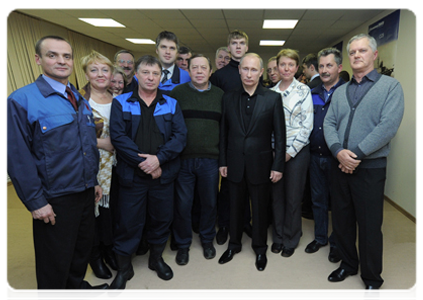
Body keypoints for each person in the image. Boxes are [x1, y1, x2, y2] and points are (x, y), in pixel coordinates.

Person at [5, 35, 108, 300]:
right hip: (54, 197)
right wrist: (36, 202)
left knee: (79, 251)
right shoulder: (22, 100)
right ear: (38, 60)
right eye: (53, 55)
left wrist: (94, 180)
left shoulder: (76, 96)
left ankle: (76, 291)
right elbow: (17, 157)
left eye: (67, 56)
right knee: (54, 259)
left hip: (85, 190)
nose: (61, 61)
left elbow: (85, 144)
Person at [324, 33, 404, 300]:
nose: (357, 56)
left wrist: (354, 155)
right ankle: (348, 264)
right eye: (353, 52)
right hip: (339, 166)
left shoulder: (390, 87)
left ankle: (372, 278)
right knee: (343, 220)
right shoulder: (341, 91)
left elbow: (387, 127)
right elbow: (329, 124)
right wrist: (338, 152)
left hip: (370, 168)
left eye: (362, 51)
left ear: (374, 54)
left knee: (370, 225)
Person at [108, 55, 187, 297]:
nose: (151, 77)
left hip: (161, 175)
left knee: (161, 220)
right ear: (137, 76)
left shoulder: (171, 103)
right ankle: (124, 269)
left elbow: (180, 137)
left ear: (160, 77)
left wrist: (158, 160)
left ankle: (156, 260)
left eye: (155, 74)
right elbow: (118, 138)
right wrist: (145, 162)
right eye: (146, 73)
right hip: (133, 176)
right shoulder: (121, 103)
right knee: (128, 222)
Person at [218, 53, 285, 271]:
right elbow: (223, 133)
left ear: (261, 72)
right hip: (235, 163)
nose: (249, 73)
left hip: (261, 164)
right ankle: (234, 245)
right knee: (235, 208)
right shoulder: (228, 97)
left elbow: (280, 135)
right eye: (245, 69)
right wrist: (223, 161)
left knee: (259, 209)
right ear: (239, 70)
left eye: (253, 69)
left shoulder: (272, 98)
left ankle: (259, 248)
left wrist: (277, 166)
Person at [169, 54, 224, 265]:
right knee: (183, 205)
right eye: (195, 68)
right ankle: (183, 245)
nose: (199, 71)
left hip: (210, 160)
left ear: (210, 71)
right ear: (188, 71)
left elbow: (225, 129)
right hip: (183, 160)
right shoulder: (177, 94)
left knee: (209, 203)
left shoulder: (220, 95)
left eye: (203, 67)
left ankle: (207, 239)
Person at [210, 29, 252, 245]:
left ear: (246, 47)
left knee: (246, 182)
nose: (237, 46)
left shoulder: (251, 72)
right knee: (226, 186)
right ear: (229, 48)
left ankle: (245, 221)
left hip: (250, 139)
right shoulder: (219, 76)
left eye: (241, 43)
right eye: (234, 43)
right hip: (227, 138)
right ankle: (224, 223)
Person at [79, 50, 118, 279]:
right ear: (86, 73)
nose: (100, 74)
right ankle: (95, 257)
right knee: (93, 214)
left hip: (116, 167)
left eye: (105, 70)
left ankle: (108, 249)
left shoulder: (118, 99)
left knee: (110, 213)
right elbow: (69, 136)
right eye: (94, 70)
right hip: (91, 167)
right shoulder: (78, 100)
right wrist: (101, 142)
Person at [270, 49, 313, 257]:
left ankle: (290, 238)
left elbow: (307, 127)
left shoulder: (304, 91)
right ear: (277, 67)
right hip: (275, 151)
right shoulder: (271, 92)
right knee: (276, 197)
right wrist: (276, 153)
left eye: (291, 65)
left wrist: (288, 153)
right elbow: (267, 126)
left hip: (297, 152)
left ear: (297, 68)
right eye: (282, 64)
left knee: (293, 198)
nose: (286, 68)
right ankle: (277, 236)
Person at [304, 48, 345, 263]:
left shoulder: (346, 93)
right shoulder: (312, 92)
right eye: (321, 66)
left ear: (339, 67)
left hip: (336, 158)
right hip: (314, 155)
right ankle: (320, 237)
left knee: (337, 203)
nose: (324, 70)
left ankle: (336, 243)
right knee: (317, 200)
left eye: (329, 65)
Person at [156, 30, 191, 95]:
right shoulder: (142, 76)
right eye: (163, 47)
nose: (168, 52)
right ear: (157, 50)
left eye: (172, 48)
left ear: (177, 52)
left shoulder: (188, 78)